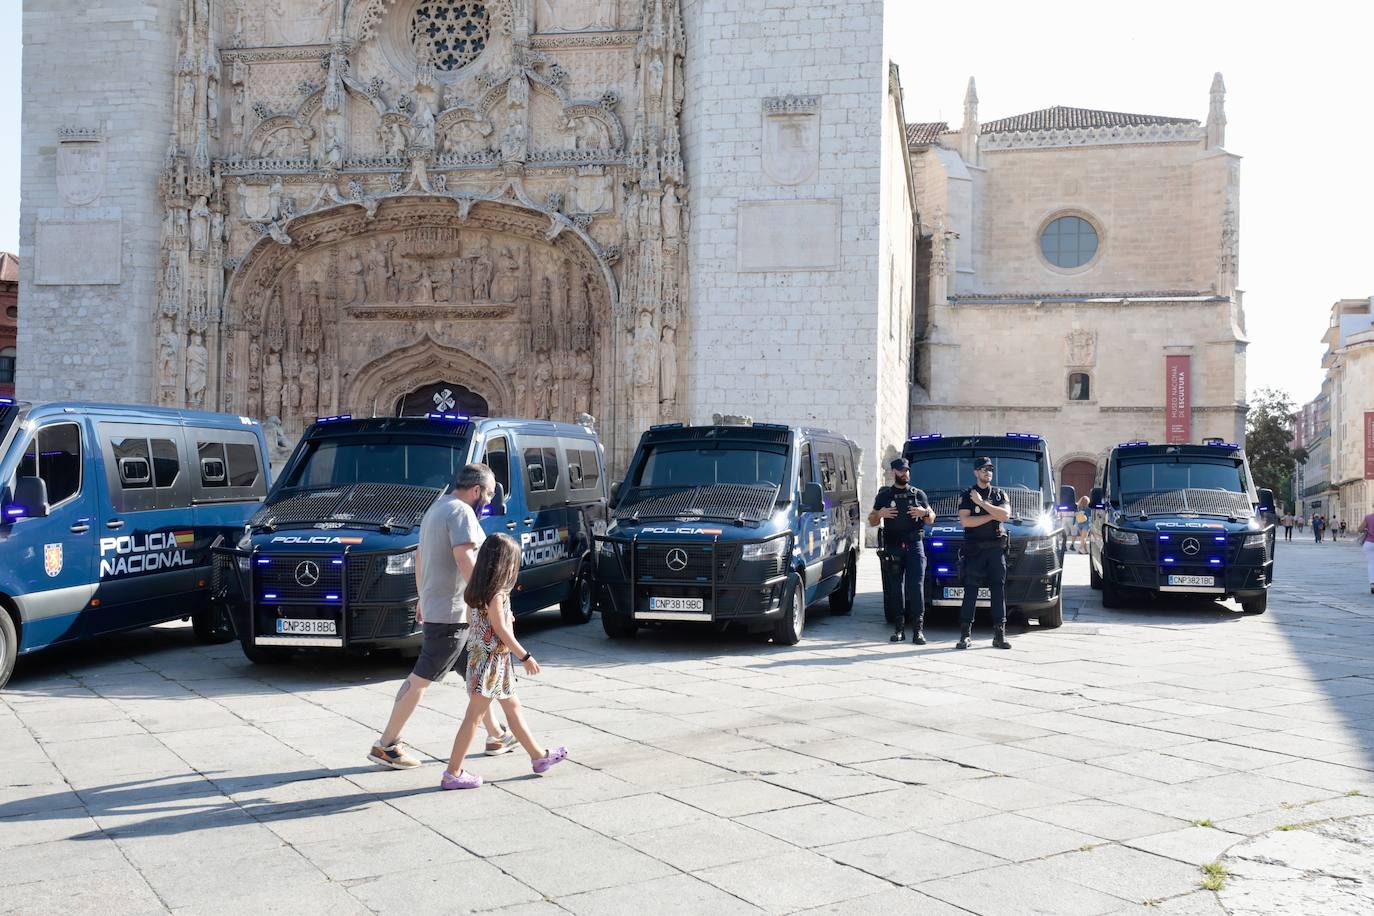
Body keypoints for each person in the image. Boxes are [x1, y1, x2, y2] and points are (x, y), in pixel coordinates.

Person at [367, 464, 513, 769]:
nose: (487, 500)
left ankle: (496, 734)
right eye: (487, 494)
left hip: (444, 607)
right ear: (476, 491)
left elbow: (421, 555)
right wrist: (485, 597)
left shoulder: (437, 508)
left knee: (476, 675)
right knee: (421, 677)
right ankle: (386, 744)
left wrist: (423, 595)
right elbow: (465, 556)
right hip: (452, 613)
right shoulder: (461, 512)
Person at [441, 533, 568, 789]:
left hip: (485, 660)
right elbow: (500, 628)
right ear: (504, 563)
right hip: (490, 664)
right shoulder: (497, 592)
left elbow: (476, 621)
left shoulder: (476, 589)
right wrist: (525, 656)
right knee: (473, 718)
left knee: (513, 709)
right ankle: (452, 773)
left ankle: (539, 757)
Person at [869, 457, 936, 643]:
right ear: (893, 473)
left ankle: (918, 630)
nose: (904, 473)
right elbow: (872, 520)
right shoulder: (884, 496)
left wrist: (924, 513)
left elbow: (931, 517)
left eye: (906, 470)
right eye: (900, 470)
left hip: (914, 545)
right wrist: (880, 514)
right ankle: (899, 629)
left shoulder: (918, 494)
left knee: (916, 588)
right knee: (895, 589)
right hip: (893, 546)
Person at [957, 457, 1012, 650]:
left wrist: (982, 505)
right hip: (975, 549)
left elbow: (1005, 515)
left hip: (996, 549)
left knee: (998, 591)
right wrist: (992, 515)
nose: (987, 472)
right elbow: (966, 522)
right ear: (975, 472)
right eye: (983, 469)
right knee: (970, 591)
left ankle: (999, 635)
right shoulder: (967, 494)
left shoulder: (999, 494)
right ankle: (965, 635)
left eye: (990, 469)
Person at [1357, 503, 1374, 595]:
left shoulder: (1368, 517)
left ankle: (1372, 584)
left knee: (1371, 564)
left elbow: (1359, 529)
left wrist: (1367, 529)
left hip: (1369, 543)